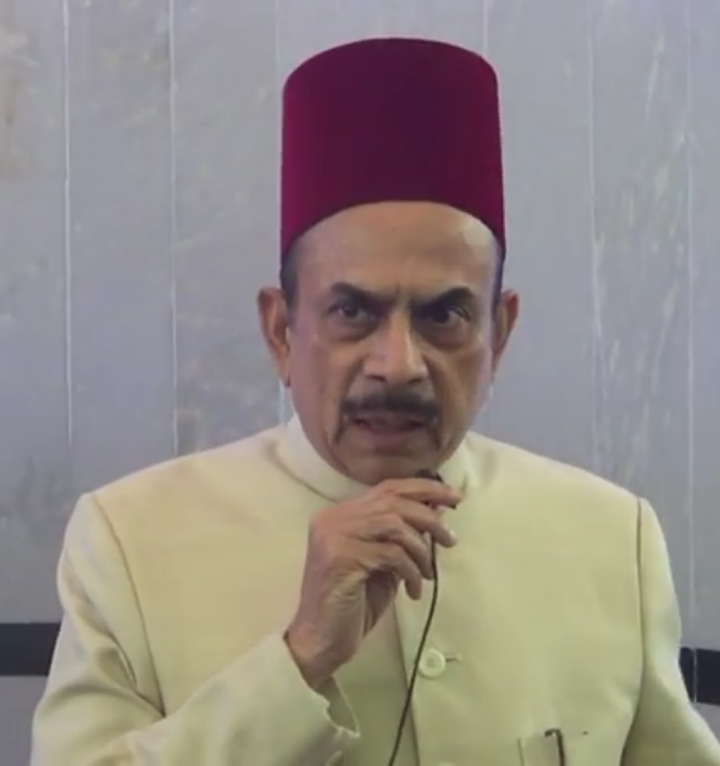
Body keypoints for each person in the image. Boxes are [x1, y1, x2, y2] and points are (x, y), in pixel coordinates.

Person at [31, 37, 720, 766]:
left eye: (444, 315)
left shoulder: (611, 537)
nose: (399, 367)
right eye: (353, 313)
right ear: (281, 331)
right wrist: (298, 660)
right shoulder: (132, 540)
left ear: (500, 331)